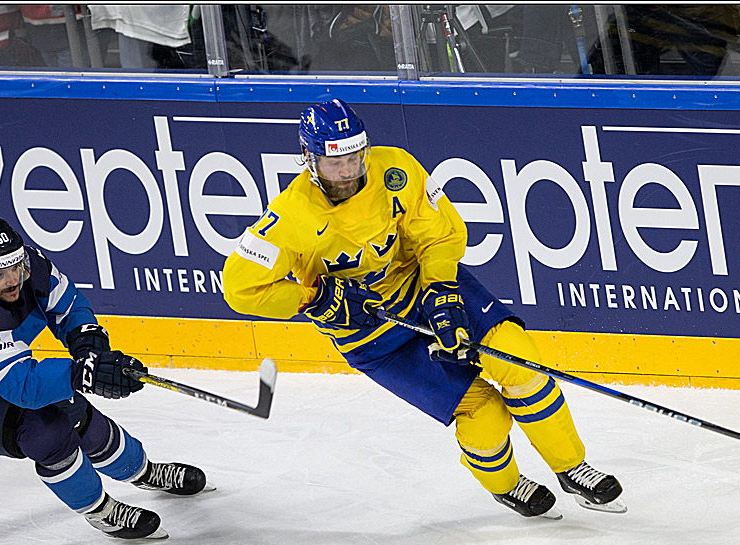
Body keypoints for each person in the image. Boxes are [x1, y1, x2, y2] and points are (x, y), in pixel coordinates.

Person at [222, 99, 624, 520]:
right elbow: (240, 288)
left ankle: (571, 465)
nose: (347, 171)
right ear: (308, 159)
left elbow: (439, 234)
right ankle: (507, 486)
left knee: (518, 357)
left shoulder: (397, 169)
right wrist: (315, 299)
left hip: (423, 288)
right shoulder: (290, 217)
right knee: (480, 411)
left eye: (355, 157)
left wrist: (441, 289)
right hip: (370, 336)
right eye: (333, 163)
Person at [0, 215, 214, 540]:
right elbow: (23, 386)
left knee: (72, 407)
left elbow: (68, 307)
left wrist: (90, 347)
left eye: (15, 266)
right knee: (45, 429)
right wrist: (83, 372)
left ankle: (145, 472)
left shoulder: (30, 266)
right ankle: (100, 510)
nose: (13, 279)